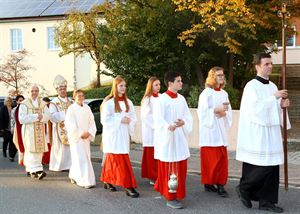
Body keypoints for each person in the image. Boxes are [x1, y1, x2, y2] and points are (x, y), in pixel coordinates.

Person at [236, 53, 291, 213]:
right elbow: (253, 110)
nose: (270, 66)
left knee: (273, 166)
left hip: (271, 132)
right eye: (266, 63)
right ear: (257, 66)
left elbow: (273, 107)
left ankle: (267, 201)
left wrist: (282, 105)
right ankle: (244, 188)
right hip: (257, 133)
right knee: (260, 167)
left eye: (271, 63)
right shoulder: (251, 86)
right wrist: (273, 98)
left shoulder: (273, 86)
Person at [153, 71, 193, 209]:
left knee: (180, 167)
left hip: (180, 138)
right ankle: (170, 197)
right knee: (170, 168)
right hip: (168, 139)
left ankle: (177, 193)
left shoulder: (181, 99)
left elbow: (188, 116)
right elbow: (158, 119)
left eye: (181, 80)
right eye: (178, 81)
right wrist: (167, 127)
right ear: (170, 83)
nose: (181, 83)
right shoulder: (161, 99)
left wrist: (184, 123)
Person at [100, 76, 139, 198]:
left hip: (123, 135)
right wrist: (120, 119)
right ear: (115, 87)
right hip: (113, 136)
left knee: (114, 160)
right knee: (118, 160)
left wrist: (130, 121)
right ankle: (128, 185)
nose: (124, 88)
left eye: (125, 85)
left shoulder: (129, 102)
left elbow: (133, 117)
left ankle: (107, 180)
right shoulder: (109, 103)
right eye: (121, 85)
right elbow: (105, 120)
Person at [197, 66, 232, 197]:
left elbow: (228, 110)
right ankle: (209, 183)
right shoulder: (206, 93)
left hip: (221, 131)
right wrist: (214, 111)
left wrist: (225, 114)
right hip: (210, 133)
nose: (221, 77)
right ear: (212, 77)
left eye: (222, 75)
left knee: (222, 161)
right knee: (211, 161)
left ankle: (221, 184)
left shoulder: (224, 94)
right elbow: (202, 113)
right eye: (218, 75)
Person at [65, 89, 97, 189]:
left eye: (82, 95)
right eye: (79, 95)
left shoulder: (87, 107)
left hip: (86, 137)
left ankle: (74, 175)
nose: (81, 97)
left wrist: (90, 132)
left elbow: (92, 121)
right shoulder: (71, 109)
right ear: (74, 97)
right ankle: (84, 180)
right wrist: (79, 134)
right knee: (80, 158)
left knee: (86, 158)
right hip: (77, 138)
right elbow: (70, 124)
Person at [19, 84, 50, 180]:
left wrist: (42, 117)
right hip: (29, 130)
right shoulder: (24, 104)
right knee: (31, 150)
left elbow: (48, 116)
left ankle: (35, 169)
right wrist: (36, 117)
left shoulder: (42, 103)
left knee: (39, 150)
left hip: (40, 129)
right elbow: (21, 119)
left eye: (36, 91)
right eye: (32, 91)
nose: (34, 93)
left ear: (38, 92)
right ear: (29, 92)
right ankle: (34, 170)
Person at [49, 75, 72, 171]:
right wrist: (65, 113)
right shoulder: (54, 102)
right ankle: (59, 166)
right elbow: (52, 116)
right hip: (59, 128)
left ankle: (70, 165)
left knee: (70, 148)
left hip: (70, 128)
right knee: (60, 148)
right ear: (57, 90)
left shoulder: (71, 101)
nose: (63, 90)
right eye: (60, 89)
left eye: (64, 88)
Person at [140, 77, 161, 185]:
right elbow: (145, 116)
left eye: (159, 84)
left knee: (159, 154)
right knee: (151, 155)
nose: (158, 87)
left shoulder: (162, 97)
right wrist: (156, 126)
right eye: (156, 85)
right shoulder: (147, 99)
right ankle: (152, 176)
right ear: (151, 86)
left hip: (160, 130)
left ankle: (159, 174)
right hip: (151, 131)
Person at [0, 97, 17, 161]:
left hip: (12, 128)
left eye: (10, 101)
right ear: (5, 102)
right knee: (6, 141)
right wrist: (1, 128)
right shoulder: (3, 109)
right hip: (5, 128)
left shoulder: (13, 108)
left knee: (12, 142)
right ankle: (4, 151)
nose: (8, 103)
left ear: (11, 102)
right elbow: (0, 119)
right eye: (7, 101)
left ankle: (11, 155)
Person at [11, 95, 25, 166]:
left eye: (22, 100)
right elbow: (12, 120)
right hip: (17, 128)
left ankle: (27, 161)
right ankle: (21, 159)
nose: (21, 102)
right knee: (18, 143)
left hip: (25, 128)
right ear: (17, 101)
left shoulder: (26, 108)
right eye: (20, 100)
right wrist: (12, 128)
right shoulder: (14, 110)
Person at [42, 97, 52, 165]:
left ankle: (47, 160)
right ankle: (43, 160)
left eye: (48, 103)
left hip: (50, 129)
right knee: (44, 145)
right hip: (43, 129)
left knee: (49, 145)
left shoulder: (51, 108)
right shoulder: (41, 109)